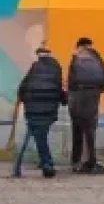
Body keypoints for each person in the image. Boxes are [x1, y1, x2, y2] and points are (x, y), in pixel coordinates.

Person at [13, 45, 65, 179]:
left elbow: (23, 88)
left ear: (38, 55)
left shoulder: (34, 68)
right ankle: (45, 162)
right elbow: (59, 88)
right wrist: (62, 100)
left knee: (37, 136)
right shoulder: (57, 68)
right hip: (49, 110)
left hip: (33, 109)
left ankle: (47, 164)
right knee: (40, 136)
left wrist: (25, 100)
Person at [68, 36, 104, 175]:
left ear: (79, 46)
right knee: (90, 131)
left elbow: (71, 81)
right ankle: (91, 162)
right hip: (92, 99)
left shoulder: (75, 58)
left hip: (77, 99)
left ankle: (76, 162)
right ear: (90, 45)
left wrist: (74, 94)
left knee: (77, 131)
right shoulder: (98, 58)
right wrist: (96, 91)